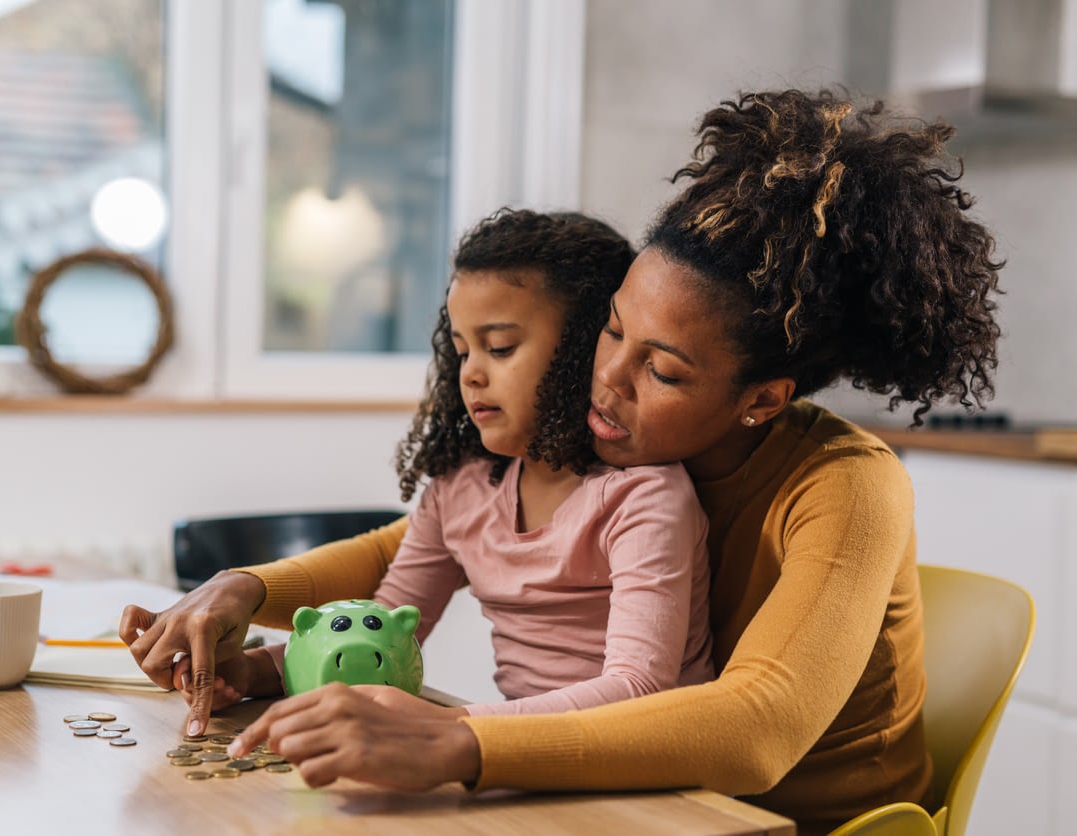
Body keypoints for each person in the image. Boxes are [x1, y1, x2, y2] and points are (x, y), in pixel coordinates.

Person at [121, 88, 1003, 834]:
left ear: (762, 399)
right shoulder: (641, 445)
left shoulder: (845, 484)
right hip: (654, 796)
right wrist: (249, 589)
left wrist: (462, 741)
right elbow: (419, 547)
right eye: (611, 329)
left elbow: (758, 727)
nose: (605, 378)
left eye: (659, 369)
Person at [187, 208, 714, 716]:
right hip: (522, 759)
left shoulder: (643, 496)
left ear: (583, 348)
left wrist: (449, 728)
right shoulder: (460, 488)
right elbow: (385, 632)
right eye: (462, 351)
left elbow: (637, 688)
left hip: (647, 783)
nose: (471, 375)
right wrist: (248, 672)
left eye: (500, 348)